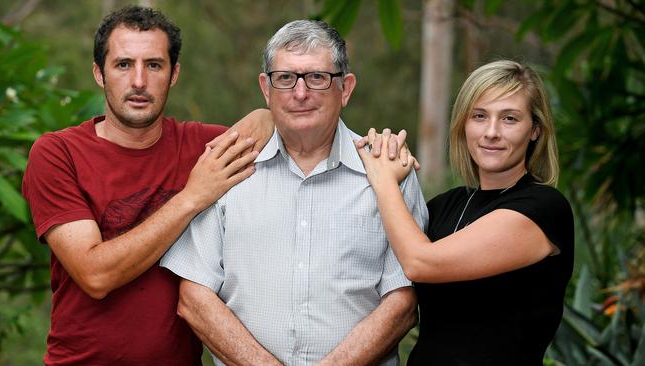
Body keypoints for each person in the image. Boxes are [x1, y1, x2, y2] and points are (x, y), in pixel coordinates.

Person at [160, 20, 428, 366]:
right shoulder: (226, 169)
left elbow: (403, 301)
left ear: (345, 89)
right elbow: (194, 297)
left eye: (317, 78)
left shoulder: (389, 171)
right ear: (266, 89)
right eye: (285, 78)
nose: (300, 94)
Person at [22, 6, 275, 365]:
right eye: (123, 65)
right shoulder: (59, 153)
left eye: (154, 65)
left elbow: (277, 124)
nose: (139, 81)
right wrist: (193, 197)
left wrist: (263, 116)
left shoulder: (201, 147)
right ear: (99, 73)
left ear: (174, 74)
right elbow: (95, 274)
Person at [357, 60, 574, 366]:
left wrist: (385, 180)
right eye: (480, 116)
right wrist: (265, 119)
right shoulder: (446, 205)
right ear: (463, 124)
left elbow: (421, 262)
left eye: (510, 118)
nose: (492, 132)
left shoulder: (543, 208)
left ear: (535, 130)